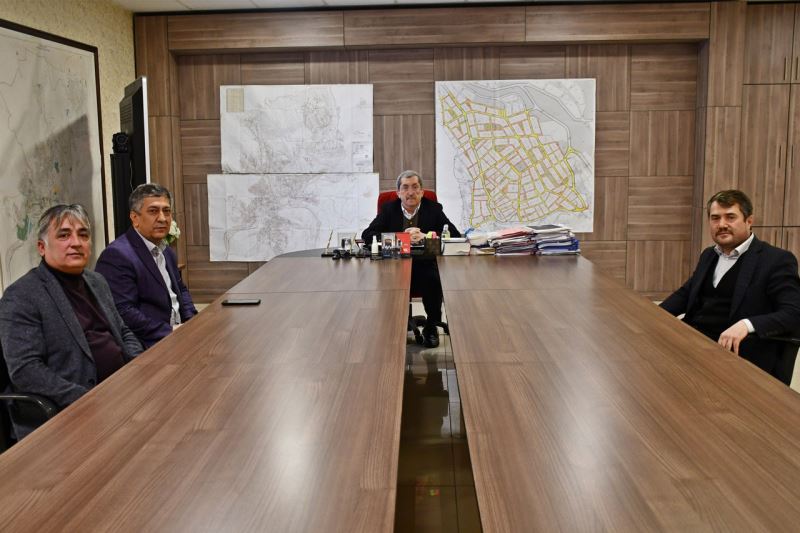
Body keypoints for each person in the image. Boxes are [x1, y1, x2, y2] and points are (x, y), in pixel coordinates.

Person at [0, 204, 143, 439]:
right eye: (64, 235)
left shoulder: (96, 281)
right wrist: (87, 399)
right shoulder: (22, 295)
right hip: (70, 410)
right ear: (42, 247)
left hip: (121, 392)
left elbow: (123, 331)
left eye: (83, 235)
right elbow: (25, 370)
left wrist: (139, 366)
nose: (76, 243)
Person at [660, 190, 800, 383]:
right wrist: (652, 316)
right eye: (715, 218)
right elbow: (686, 294)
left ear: (749, 221)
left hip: (737, 357)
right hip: (693, 346)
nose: (722, 224)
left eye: (730, 217)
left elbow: (794, 313)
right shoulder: (709, 254)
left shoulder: (775, 260)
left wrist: (746, 325)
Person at [362, 170, 460, 348]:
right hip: (394, 264)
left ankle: (431, 326)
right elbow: (368, 235)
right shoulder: (388, 209)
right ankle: (395, 326)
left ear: (422, 191)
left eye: (415, 187)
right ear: (398, 192)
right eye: (405, 188)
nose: (410, 192)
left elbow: (454, 235)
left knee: (433, 279)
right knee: (390, 280)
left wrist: (426, 236)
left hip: (425, 264)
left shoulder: (434, 209)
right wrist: (401, 238)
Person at [95, 184, 197, 349]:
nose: (162, 218)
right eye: (153, 211)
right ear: (135, 218)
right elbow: (123, 311)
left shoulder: (166, 251)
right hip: (151, 344)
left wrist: (192, 322)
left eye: (167, 211)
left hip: (179, 335)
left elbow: (181, 290)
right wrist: (170, 331)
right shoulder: (117, 255)